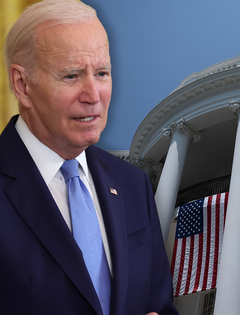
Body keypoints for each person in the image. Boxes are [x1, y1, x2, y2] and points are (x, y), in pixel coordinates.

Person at [0, 0, 178, 314]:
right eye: (71, 76)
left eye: (101, 73)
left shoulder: (132, 183)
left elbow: (159, 305)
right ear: (22, 84)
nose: (93, 95)